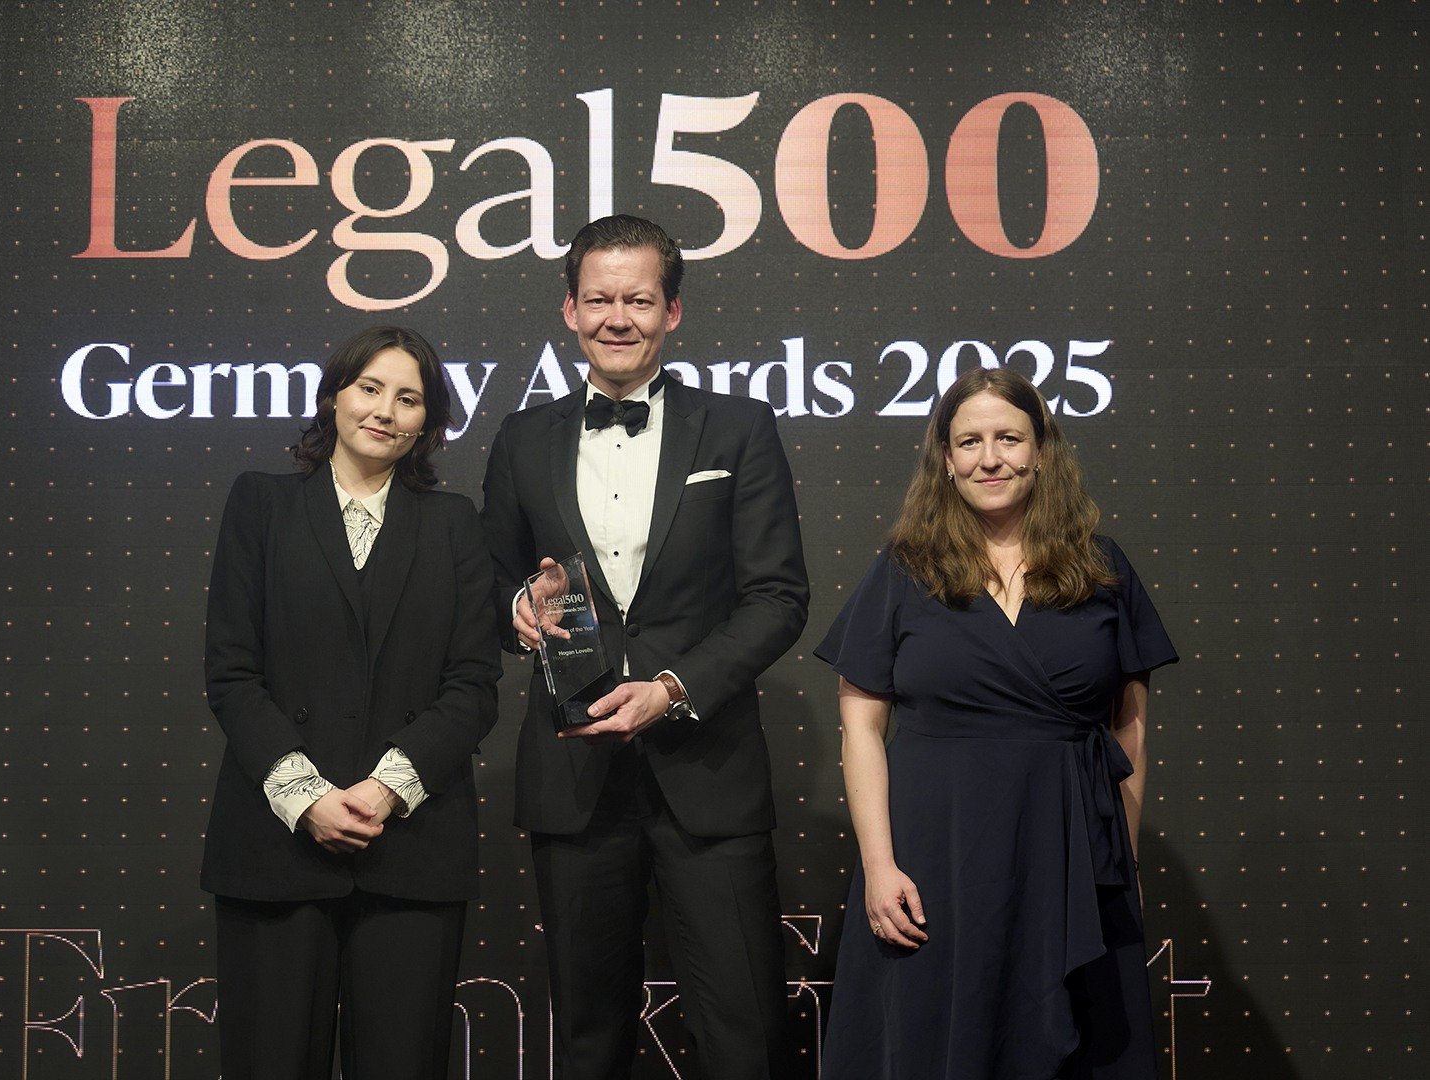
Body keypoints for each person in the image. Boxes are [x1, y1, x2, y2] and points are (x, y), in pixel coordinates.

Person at [480, 215, 809, 1079]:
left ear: (673, 311)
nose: (616, 318)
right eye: (599, 300)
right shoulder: (522, 438)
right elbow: (488, 587)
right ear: (570, 310)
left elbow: (778, 599)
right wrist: (518, 608)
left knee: (743, 1034)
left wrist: (672, 688)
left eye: (638, 299)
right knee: (588, 1039)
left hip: (708, 770)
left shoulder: (738, 428)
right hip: (574, 774)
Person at [815, 366, 1177, 1080]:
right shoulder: (905, 569)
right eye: (969, 442)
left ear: (1041, 450)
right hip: (936, 854)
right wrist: (880, 867)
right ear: (946, 460)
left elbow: (1129, 729)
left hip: (1070, 852)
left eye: (1008, 438)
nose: (990, 458)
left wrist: (1122, 863)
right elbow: (860, 728)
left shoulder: (1102, 568)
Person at [201, 325, 500, 1079]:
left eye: (409, 399)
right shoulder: (261, 503)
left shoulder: (454, 523)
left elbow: (473, 686)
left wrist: (384, 791)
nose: (384, 412)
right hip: (276, 843)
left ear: (428, 423)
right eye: (370, 389)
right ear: (335, 395)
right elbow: (232, 672)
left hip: (410, 846)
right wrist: (306, 796)